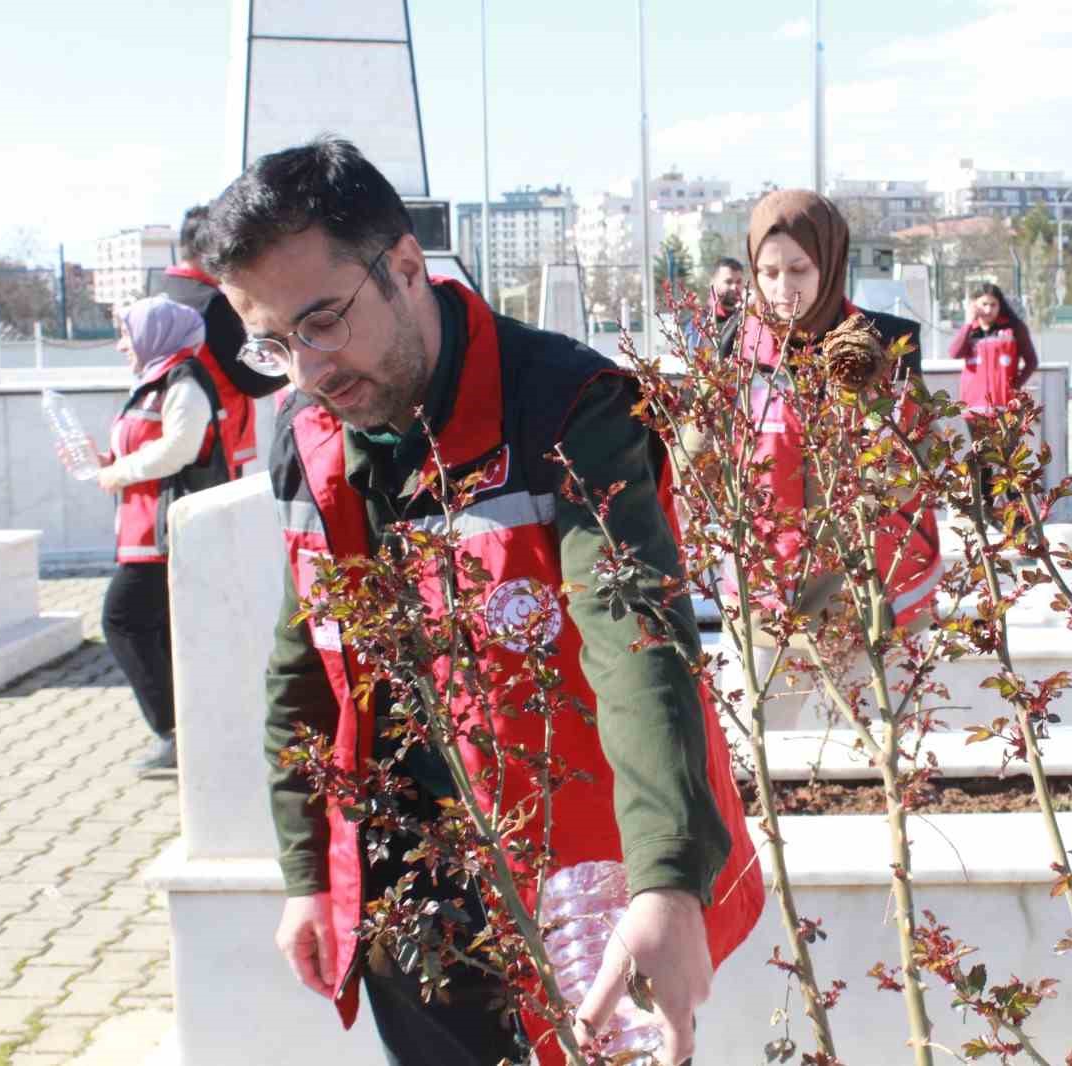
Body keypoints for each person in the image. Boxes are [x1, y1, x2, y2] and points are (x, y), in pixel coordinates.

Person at [203, 138, 762, 1066]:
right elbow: (306, 667)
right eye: (271, 344)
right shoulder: (309, 438)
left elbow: (640, 647)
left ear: (409, 269)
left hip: (578, 882)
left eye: (322, 323)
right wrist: (308, 874)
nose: (305, 371)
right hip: (406, 897)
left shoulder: (568, 408)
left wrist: (664, 883)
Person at [717, 189, 943, 632]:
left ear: (831, 261)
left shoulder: (888, 344)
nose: (784, 288)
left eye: (800, 269)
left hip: (879, 592)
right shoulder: (734, 349)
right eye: (768, 272)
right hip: (770, 596)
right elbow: (705, 467)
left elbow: (920, 462)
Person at [90, 296, 235, 775]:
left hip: (164, 534)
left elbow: (180, 449)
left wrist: (123, 472)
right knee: (163, 631)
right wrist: (108, 464)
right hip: (144, 531)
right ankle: (192, 733)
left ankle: (174, 732)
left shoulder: (184, 382)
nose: (120, 347)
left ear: (157, 335)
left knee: (123, 620)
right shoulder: (154, 382)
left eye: (127, 336)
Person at [161, 204, 286, 476]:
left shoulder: (164, 291)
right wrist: (295, 360)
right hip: (216, 441)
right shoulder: (211, 303)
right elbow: (252, 379)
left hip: (172, 429)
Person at [947, 282, 1038, 414]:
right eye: (984, 304)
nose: (988, 310)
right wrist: (968, 324)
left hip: (1005, 406)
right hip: (974, 408)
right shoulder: (970, 330)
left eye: (993, 304)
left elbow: (1032, 361)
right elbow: (954, 353)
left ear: (1000, 305)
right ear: (974, 305)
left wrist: (1014, 386)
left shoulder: (1014, 328)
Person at [683, 256, 746, 353]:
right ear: (713, 282)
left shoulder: (745, 321)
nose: (734, 287)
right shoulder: (699, 323)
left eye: (738, 282)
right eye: (728, 282)